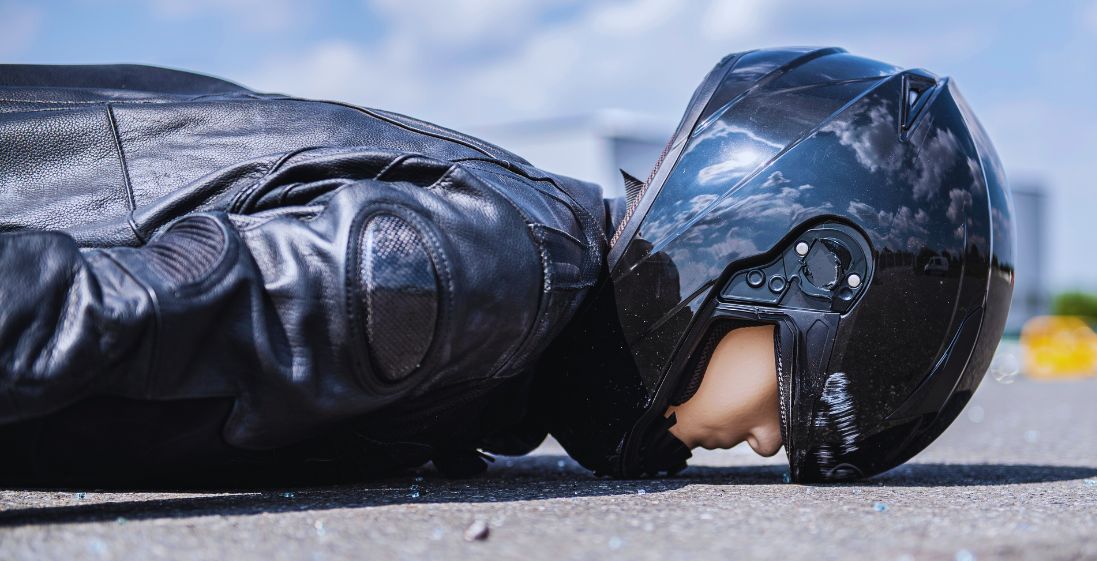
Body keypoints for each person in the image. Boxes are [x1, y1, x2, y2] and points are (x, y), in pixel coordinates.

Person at [0, 47, 1013, 486]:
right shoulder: (477, 274)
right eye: (791, 410)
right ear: (796, 270)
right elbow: (76, 312)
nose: (764, 445)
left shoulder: (508, 315)